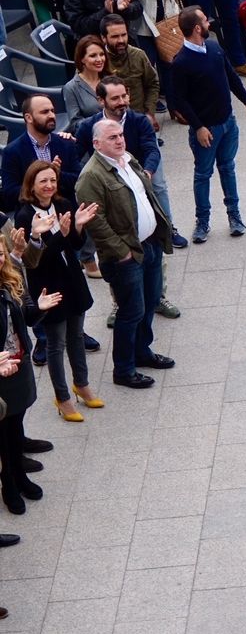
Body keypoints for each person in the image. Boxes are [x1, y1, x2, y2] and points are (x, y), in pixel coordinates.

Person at [76, 118, 173, 390]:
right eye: (112, 137)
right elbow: (96, 222)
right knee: (131, 311)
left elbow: (146, 196)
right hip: (126, 256)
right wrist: (123, 253)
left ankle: (142, 351)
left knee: (151, 300)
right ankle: (124, 369)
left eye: (120, 135)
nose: (120, 140)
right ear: (97, 144)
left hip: (149, 244)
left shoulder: (128, 159)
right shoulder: (91, 176)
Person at [13, 163, 99, 423]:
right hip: (48, 285)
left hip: (71, 280)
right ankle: (62, 397)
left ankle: (81, 384)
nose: (49, 186)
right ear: (32, 185)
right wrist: (60, 234)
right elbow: (37, 260)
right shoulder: (25, 215)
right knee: (56, 343)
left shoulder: (62, 205)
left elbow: (73, 245)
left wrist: (78, 229)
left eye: (52, 180)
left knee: (76, 336)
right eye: (43, 181)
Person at [167, 6, 246, 242]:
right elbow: (179, 100)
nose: (209, 23)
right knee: (203, 174)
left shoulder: (215, 48)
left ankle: (234, 216)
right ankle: (203, 221)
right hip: (206, 130)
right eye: (205, 21)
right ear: (197, 28)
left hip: (228, 123)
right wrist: (198, 127)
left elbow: (230, 76)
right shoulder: (181, 63)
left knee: (227, 168)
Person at [0, 236, 54, 515]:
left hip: (18, 366)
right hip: (0, 370)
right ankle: (8, 484)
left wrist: (39, 308)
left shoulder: (9, 281)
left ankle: (19, 475)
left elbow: (26, 317)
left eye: (0, 253)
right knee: (2, 431)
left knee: (16, 423)